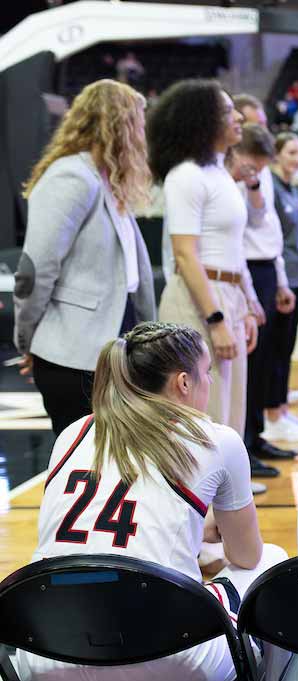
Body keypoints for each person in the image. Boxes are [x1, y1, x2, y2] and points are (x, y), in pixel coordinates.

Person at [16, 322, 286, 681]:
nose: (208, 384)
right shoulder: (215, 439)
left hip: (46, 674)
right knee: (273, 565)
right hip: (163, 675)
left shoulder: (73, 434)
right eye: (207, 373)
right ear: (184, 382)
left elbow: (102, 536)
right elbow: (247, 554)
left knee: (106, 589)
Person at [15, 79, 156, 436]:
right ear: (117, 123)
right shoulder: (71, 176)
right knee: (83, 470)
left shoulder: (107, 180)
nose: (143, 131)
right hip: (74, 355)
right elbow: (35, 271)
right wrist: (27, 339)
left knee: (112, 468)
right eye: (137, 121)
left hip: (109, 348)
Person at [151, 79, 263, 437]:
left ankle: (227, 492)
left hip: (225, 294)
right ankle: (198, 493)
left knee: (231, 412)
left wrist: (245, 305)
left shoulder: (219, 173)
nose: (238, 118)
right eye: (228, 111)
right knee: (202, 417)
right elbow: (185, 255)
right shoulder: (186, 176)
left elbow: (234, 246)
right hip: (198, 300)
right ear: (203, 119)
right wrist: (215, 319)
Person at [228, 120, 296, 480]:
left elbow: (266, 226)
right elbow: (240, 234)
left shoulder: (258, 174)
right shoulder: (225, 176)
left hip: (267, 267)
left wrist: (281, 279)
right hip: (244, 271)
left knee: (264, 361)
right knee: (249, 365)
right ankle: (245, 444)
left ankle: (256, 437)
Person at [264, 132, 298, 443]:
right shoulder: (270, 187)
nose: (297, 159)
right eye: (291, 153)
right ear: (276, 154)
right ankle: (272, 415)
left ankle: (282, 411)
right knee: (275, 349)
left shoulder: (290, 188)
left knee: (286, 348)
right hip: (280, 278)